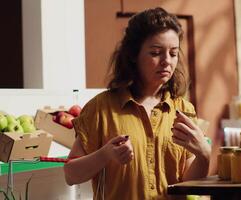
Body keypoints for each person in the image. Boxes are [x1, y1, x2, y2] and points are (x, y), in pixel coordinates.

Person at [63, 7, 211, 200]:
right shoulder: (101, 108)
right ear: (133, 54)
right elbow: (71, 175)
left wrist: (204, 155)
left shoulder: (183, 110)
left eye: (173, 53)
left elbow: (187, 183)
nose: (167, 61)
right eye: (156, 52)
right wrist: (106, 154)